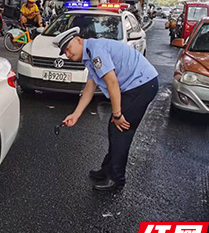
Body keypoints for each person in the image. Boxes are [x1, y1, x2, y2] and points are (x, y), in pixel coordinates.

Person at [55, 27, 159, 191]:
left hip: (142, 84)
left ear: (79, 40)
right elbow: (90, 86)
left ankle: (116, 179)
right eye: (64, 52)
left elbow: (112, 82)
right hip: (137, 85)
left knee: (120, 130)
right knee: (114, 129)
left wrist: (117, 114)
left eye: (68, 48)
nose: (67, 54)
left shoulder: (96, 51)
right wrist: (75, 114)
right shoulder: (89, 53)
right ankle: (107, 170)